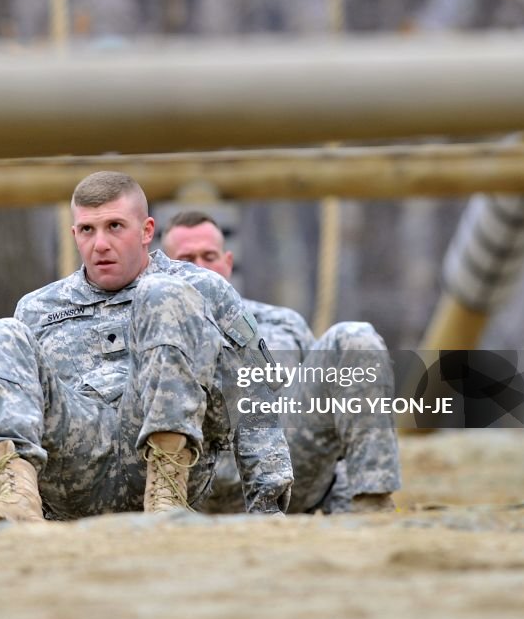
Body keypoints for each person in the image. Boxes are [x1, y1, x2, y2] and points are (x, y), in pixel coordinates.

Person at [0, 172, 293, 523]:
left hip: (163, 462)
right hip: (74, 466)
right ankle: (18, 497)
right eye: (87, 230)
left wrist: (268, 504)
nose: (100, 244)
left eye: (115, 226)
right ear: (74, 235)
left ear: (146, 231)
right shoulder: (39, 307)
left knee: (164, 293)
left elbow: (254, 391)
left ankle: (165, 495)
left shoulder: (202, 288)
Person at [161, 210, 400, 513]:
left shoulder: (283, 324)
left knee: (355, 336)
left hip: (285, 481)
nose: (202, 269)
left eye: (209, 256)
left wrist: (343, 509)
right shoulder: (147, 335)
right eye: (187, 260)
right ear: (164, 272)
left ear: (228, 262)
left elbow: (323, 421)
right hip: (189, 490)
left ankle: (373, 505)